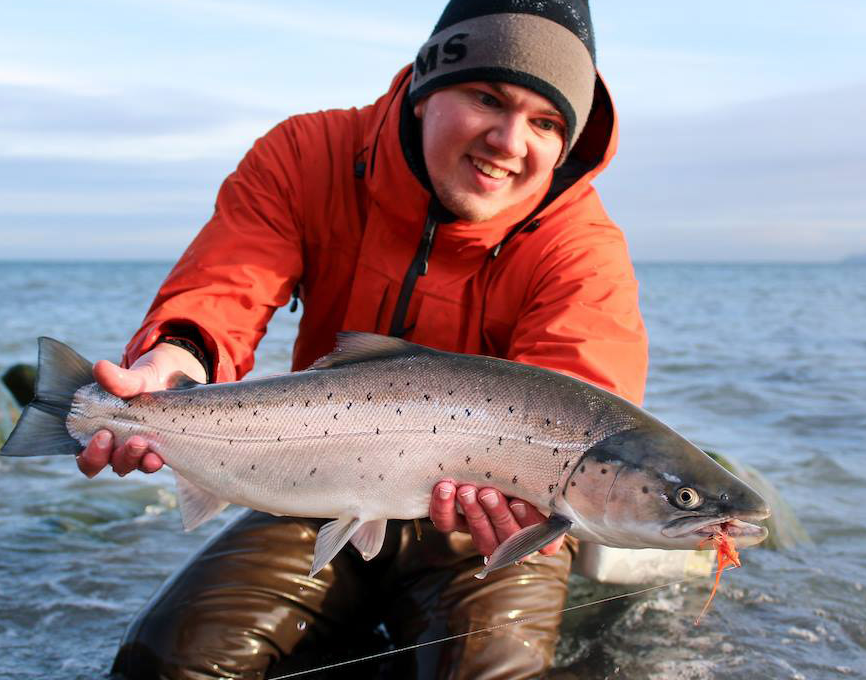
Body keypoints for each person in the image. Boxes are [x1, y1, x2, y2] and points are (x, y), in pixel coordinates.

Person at [79, 1, 647, 677]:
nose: (509, 141)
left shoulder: (582, 248)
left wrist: (541, 512)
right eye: (487, 98)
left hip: (481, 531)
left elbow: (585, 402)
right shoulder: (307, 156)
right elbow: (226, 286)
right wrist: (172, 364)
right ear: (423, 89)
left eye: (547, 123)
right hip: (318, 481)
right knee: (168, 663)